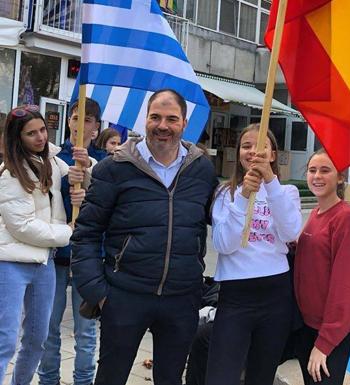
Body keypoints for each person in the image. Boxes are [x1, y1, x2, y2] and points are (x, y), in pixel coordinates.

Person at [70, 89, 219, 385]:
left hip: (181, 298)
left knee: (170, 379)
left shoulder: (201, 169)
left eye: (171, 118)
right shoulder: (114, 168)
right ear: (145, 120)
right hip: (124, 295)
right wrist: (98, 293)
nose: (163, 125)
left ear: (184, 124)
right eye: (156, 117)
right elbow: (85, 234)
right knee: (111, 378)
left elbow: (222, 220)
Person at [207, 124, 302, 385]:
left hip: (275, 294)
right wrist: (244, 196)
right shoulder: (225, 193)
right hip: (235, 295)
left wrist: (270, 183)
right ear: (238, 153)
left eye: (261, 146)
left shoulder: (287, 193)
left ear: (272, 155)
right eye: (246, 146)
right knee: (221, 374)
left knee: (261, 374)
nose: (253, 152)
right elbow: (224, 244)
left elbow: (290, 231)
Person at [0, 105, 84, 384]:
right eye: (31, 133)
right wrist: (67, 232)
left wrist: (83, 166)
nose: (40, 137)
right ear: (17, 138)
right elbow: (22, 227)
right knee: (6, 340)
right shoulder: (10, 173)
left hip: (43, 262)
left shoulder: (51, 160)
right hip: (10, 263)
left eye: (42, 130)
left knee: (38, 339)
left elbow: (80, 168)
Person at [38, 97, 108, 385]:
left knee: (86, 330)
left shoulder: (104, 162)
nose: (81, 124)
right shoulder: (52, 158)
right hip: (55, 254)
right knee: (47, 327)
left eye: (88, 120)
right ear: (69, 120)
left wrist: (88, 187)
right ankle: (48, 380)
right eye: (77, 117)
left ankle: (83, 381)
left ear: (96, 127)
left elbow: (110, 205)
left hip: (90, 256)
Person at [294, 149, 350, 385]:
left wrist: (324, 343)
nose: (317, 176)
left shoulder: (345, 219)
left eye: (325, 170)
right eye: (312, 170)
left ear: (340, 177)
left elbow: (345, 286)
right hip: (308, 324)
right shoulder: (316, 213)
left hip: (331, 332)